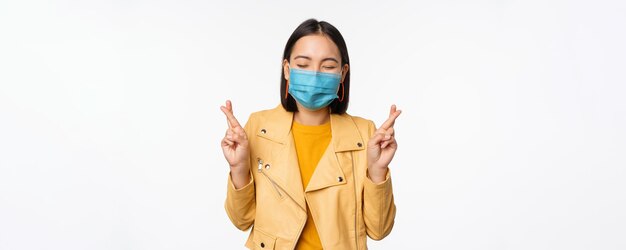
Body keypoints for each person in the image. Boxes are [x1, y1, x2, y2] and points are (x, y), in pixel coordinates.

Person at [220, 18, 400, 249]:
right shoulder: (258, 127)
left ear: (343, 73)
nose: (314, 75)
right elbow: (241, 220)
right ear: (287, 69)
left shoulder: (365, 134)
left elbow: (379, 229)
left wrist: (377, 171)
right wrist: (238, 168)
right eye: (303, 65)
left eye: (327, 66)